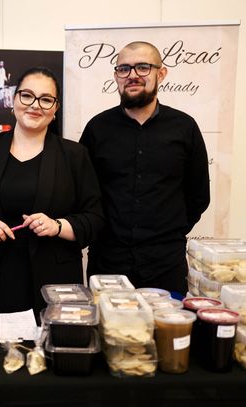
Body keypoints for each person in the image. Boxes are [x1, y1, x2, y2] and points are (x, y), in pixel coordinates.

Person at [0, 67, 105, 316]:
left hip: (53, 282)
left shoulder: (75, 155)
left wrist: (57, 226)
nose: (35, 105)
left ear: (55, 108)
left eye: (46, 99)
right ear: (14, 99)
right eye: (27, 95)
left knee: (50, 341)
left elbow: (95, 219)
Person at [80, 41, 210, 296]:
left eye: (142, 67)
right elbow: (83, 193)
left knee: (168, 323)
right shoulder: (97, 129)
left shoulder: (185, 128)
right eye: (124, 69)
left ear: (161, 74)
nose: (132, 75)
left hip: (165, 264)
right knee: (106, 323)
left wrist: (168, 233)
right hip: (108, 263)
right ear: (116, 76)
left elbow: (198, 196)